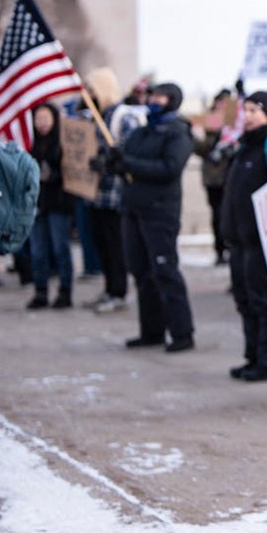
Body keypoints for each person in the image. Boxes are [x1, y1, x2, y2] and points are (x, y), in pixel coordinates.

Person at [112, 82, 196, 354]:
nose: (154, 101)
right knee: (141, 272)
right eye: (153, 96)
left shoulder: (178, 132)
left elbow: (169, 168)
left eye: (160, 97)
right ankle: (151, 331)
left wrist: (130, 164)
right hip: (133, 209)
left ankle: (182, 332)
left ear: (172, 100)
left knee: (165, 271)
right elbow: (127, 160)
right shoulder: (141, 131)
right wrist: (113, 161)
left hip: (160, 212)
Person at [220, 91, 267, 382]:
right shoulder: (243, 147)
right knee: (245, 301)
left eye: (255, 110)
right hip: (240, 241)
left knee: (265, 302)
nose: (248, 115)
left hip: (264, 242)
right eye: (246, 109)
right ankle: (253, 357)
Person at [82, 68, 145, 314]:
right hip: (97, 193)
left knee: (115, 245)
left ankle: (119, 292)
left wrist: (108, 161)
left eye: (92, 89)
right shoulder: (96, 116)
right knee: (102, 244)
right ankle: (109, 288)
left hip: (117, 194)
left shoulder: (123, 116)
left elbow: (129, 151)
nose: (89, 94)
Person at [26, 103, 74, 310]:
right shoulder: (29, 143)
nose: (42, 123)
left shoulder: (63, 141)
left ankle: (65, 291)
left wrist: (53, 175)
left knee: (60, 248)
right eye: (38, 119)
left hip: (58, 203)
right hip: (37, 204)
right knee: (38, 251)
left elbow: (72, 171)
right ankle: (40, 291)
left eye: (45, 118)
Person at [195, 89, 237, 266]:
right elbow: (201, 149)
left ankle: (229, 249)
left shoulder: (236, 121)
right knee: (217, 215)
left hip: (230, 177)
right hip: (214, 178)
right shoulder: (210, 122)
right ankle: (220, 250)